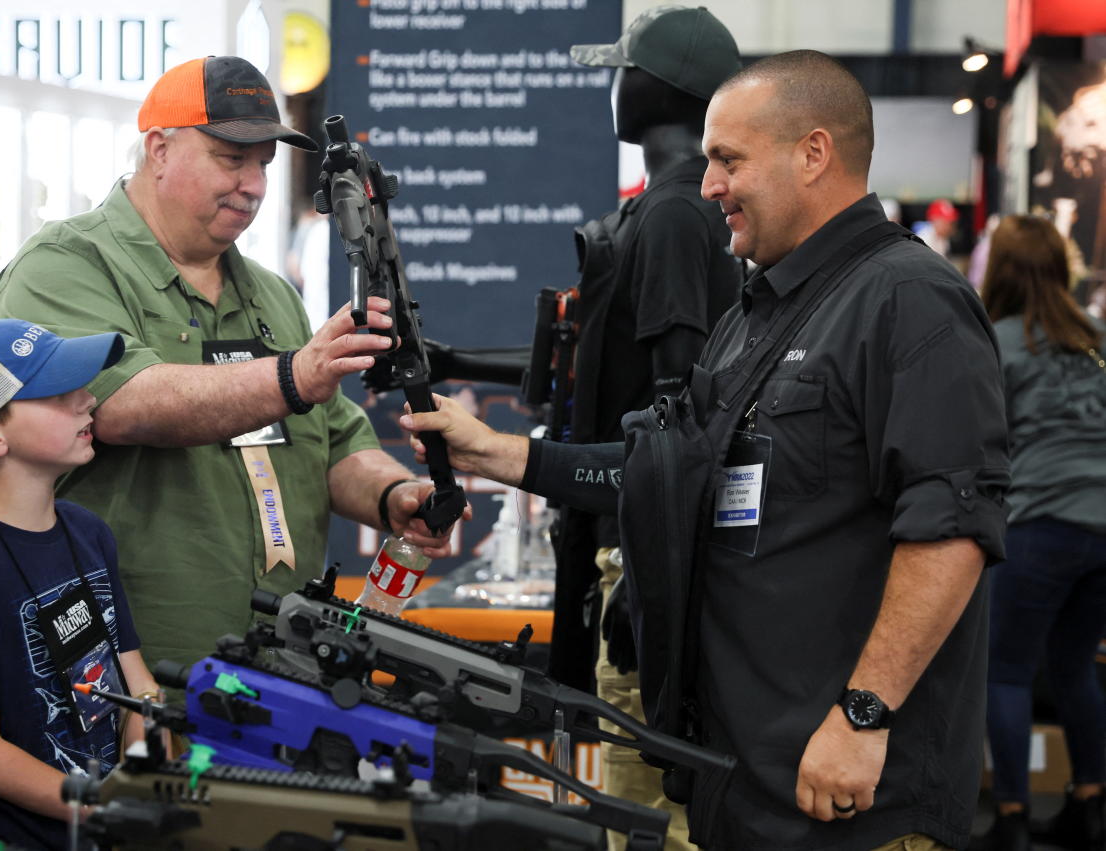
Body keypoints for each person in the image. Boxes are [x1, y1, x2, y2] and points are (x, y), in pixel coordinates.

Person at [401, 50, 1010, 850]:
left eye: (728, 160)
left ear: (814, 153)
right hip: (745, 780)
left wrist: (865, 713)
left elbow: (952, 530)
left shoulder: (910, 301)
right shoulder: (753, 315)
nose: (710, 184)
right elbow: (664, 469)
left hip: (852, 798)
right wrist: (501, 454)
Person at [0, 56, 460, 688]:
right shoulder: (64, 267)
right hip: (130, 665)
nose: (254, 185)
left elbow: (334, 438)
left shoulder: (272, 294)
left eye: (264, 163)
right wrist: (293, 376)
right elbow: (121, 402)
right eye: (230, 158)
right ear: (159, 149)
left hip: (282, 662)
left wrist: (391, 496)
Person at [560, 8, 743, 848]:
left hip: (638, 545)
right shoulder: (664, 210)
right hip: (629, 532)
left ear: (659, 89)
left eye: (623, 70)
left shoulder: (673, 214)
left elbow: (679, 400)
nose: (613, 86)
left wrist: (642, 575)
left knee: (640, 809)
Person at [0, 319, 162, 849]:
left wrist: (140, 773)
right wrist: (104, 809)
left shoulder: (89, 532)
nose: (88, 400)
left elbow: (136, 679)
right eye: (58, 393)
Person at [977, 215, 1106, 851]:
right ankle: (1090, 805)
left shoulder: (995, 342)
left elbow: (980, 444)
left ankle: (1011, 819)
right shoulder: (1099, 338)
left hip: (1039, 524)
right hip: (1104, 525)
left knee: (1004, 672)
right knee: (1075, 664)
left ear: (997, 270)